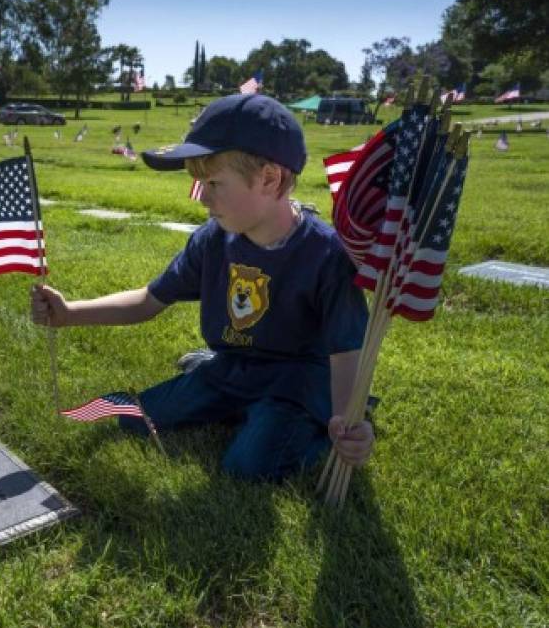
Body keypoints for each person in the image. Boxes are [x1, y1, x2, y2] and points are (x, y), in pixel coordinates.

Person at [31, 94, 374, 481]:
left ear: (269, 178)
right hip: (233, 368)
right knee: (134, 417)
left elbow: (347, 351)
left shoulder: (326, 254)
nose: (203, 198)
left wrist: (348, 420)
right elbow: (148, 299)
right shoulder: (213, 241)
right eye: (199, 183)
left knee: (247, 467)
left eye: (213, 183)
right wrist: (70, 313)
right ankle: (215, 381)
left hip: (294, 383)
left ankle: (304, 426)